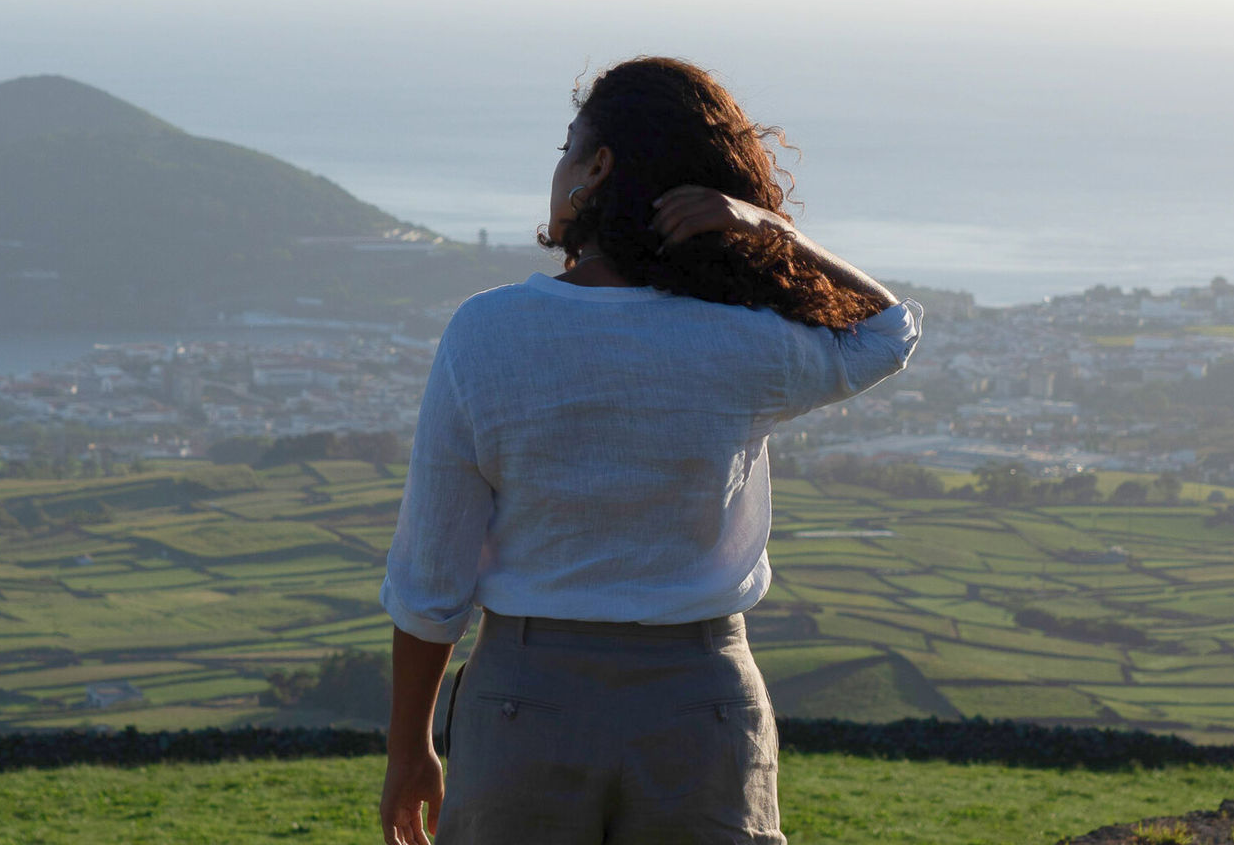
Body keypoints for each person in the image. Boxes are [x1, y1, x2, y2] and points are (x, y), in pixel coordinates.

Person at [377, 56, 922, 844]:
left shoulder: (485, 335)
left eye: (567, 149)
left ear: (597, 169)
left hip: (525, 697)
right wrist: (774, 232)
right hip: (700, 697)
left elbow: (432, 578)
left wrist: (410, 749)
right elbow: (889, 331)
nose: (557, 168)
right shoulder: (742, 340)